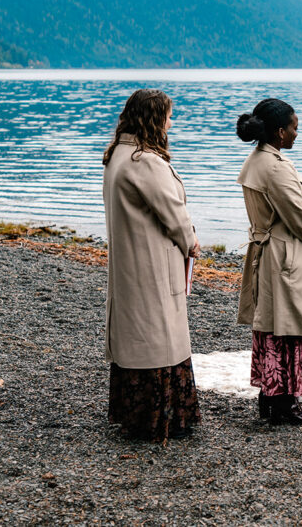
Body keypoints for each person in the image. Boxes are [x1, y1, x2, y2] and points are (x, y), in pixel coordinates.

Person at [102, 89, 201, 442]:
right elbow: (174, 215)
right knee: (158, 332)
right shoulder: (146, 161)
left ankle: (137, 413)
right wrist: (190, 240)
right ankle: (163, 417)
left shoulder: (117, 155)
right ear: (153, 119)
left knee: (138, 329)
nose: (171, 123)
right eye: (168, 116)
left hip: (130, 259)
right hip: (152, 262)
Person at [236, 98, 302, 425]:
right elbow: (300, 220)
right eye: (293, 128)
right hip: (284, 253)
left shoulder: (256, 160)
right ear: (279, 132)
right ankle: (285, 405)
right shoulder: (276, 167)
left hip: (268, 249)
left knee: (275, 324)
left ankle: (270, 398)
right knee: (291, 325)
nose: (295, 134)